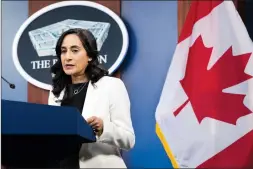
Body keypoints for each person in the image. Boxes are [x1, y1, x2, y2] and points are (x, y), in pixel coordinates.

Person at [48, 28, 135, 168]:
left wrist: (103, 128)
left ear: (89, 55)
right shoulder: (56, 92)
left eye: (75, 50)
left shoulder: (111, 86)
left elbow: (128, 139)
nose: (67, 57)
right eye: (63, 51)